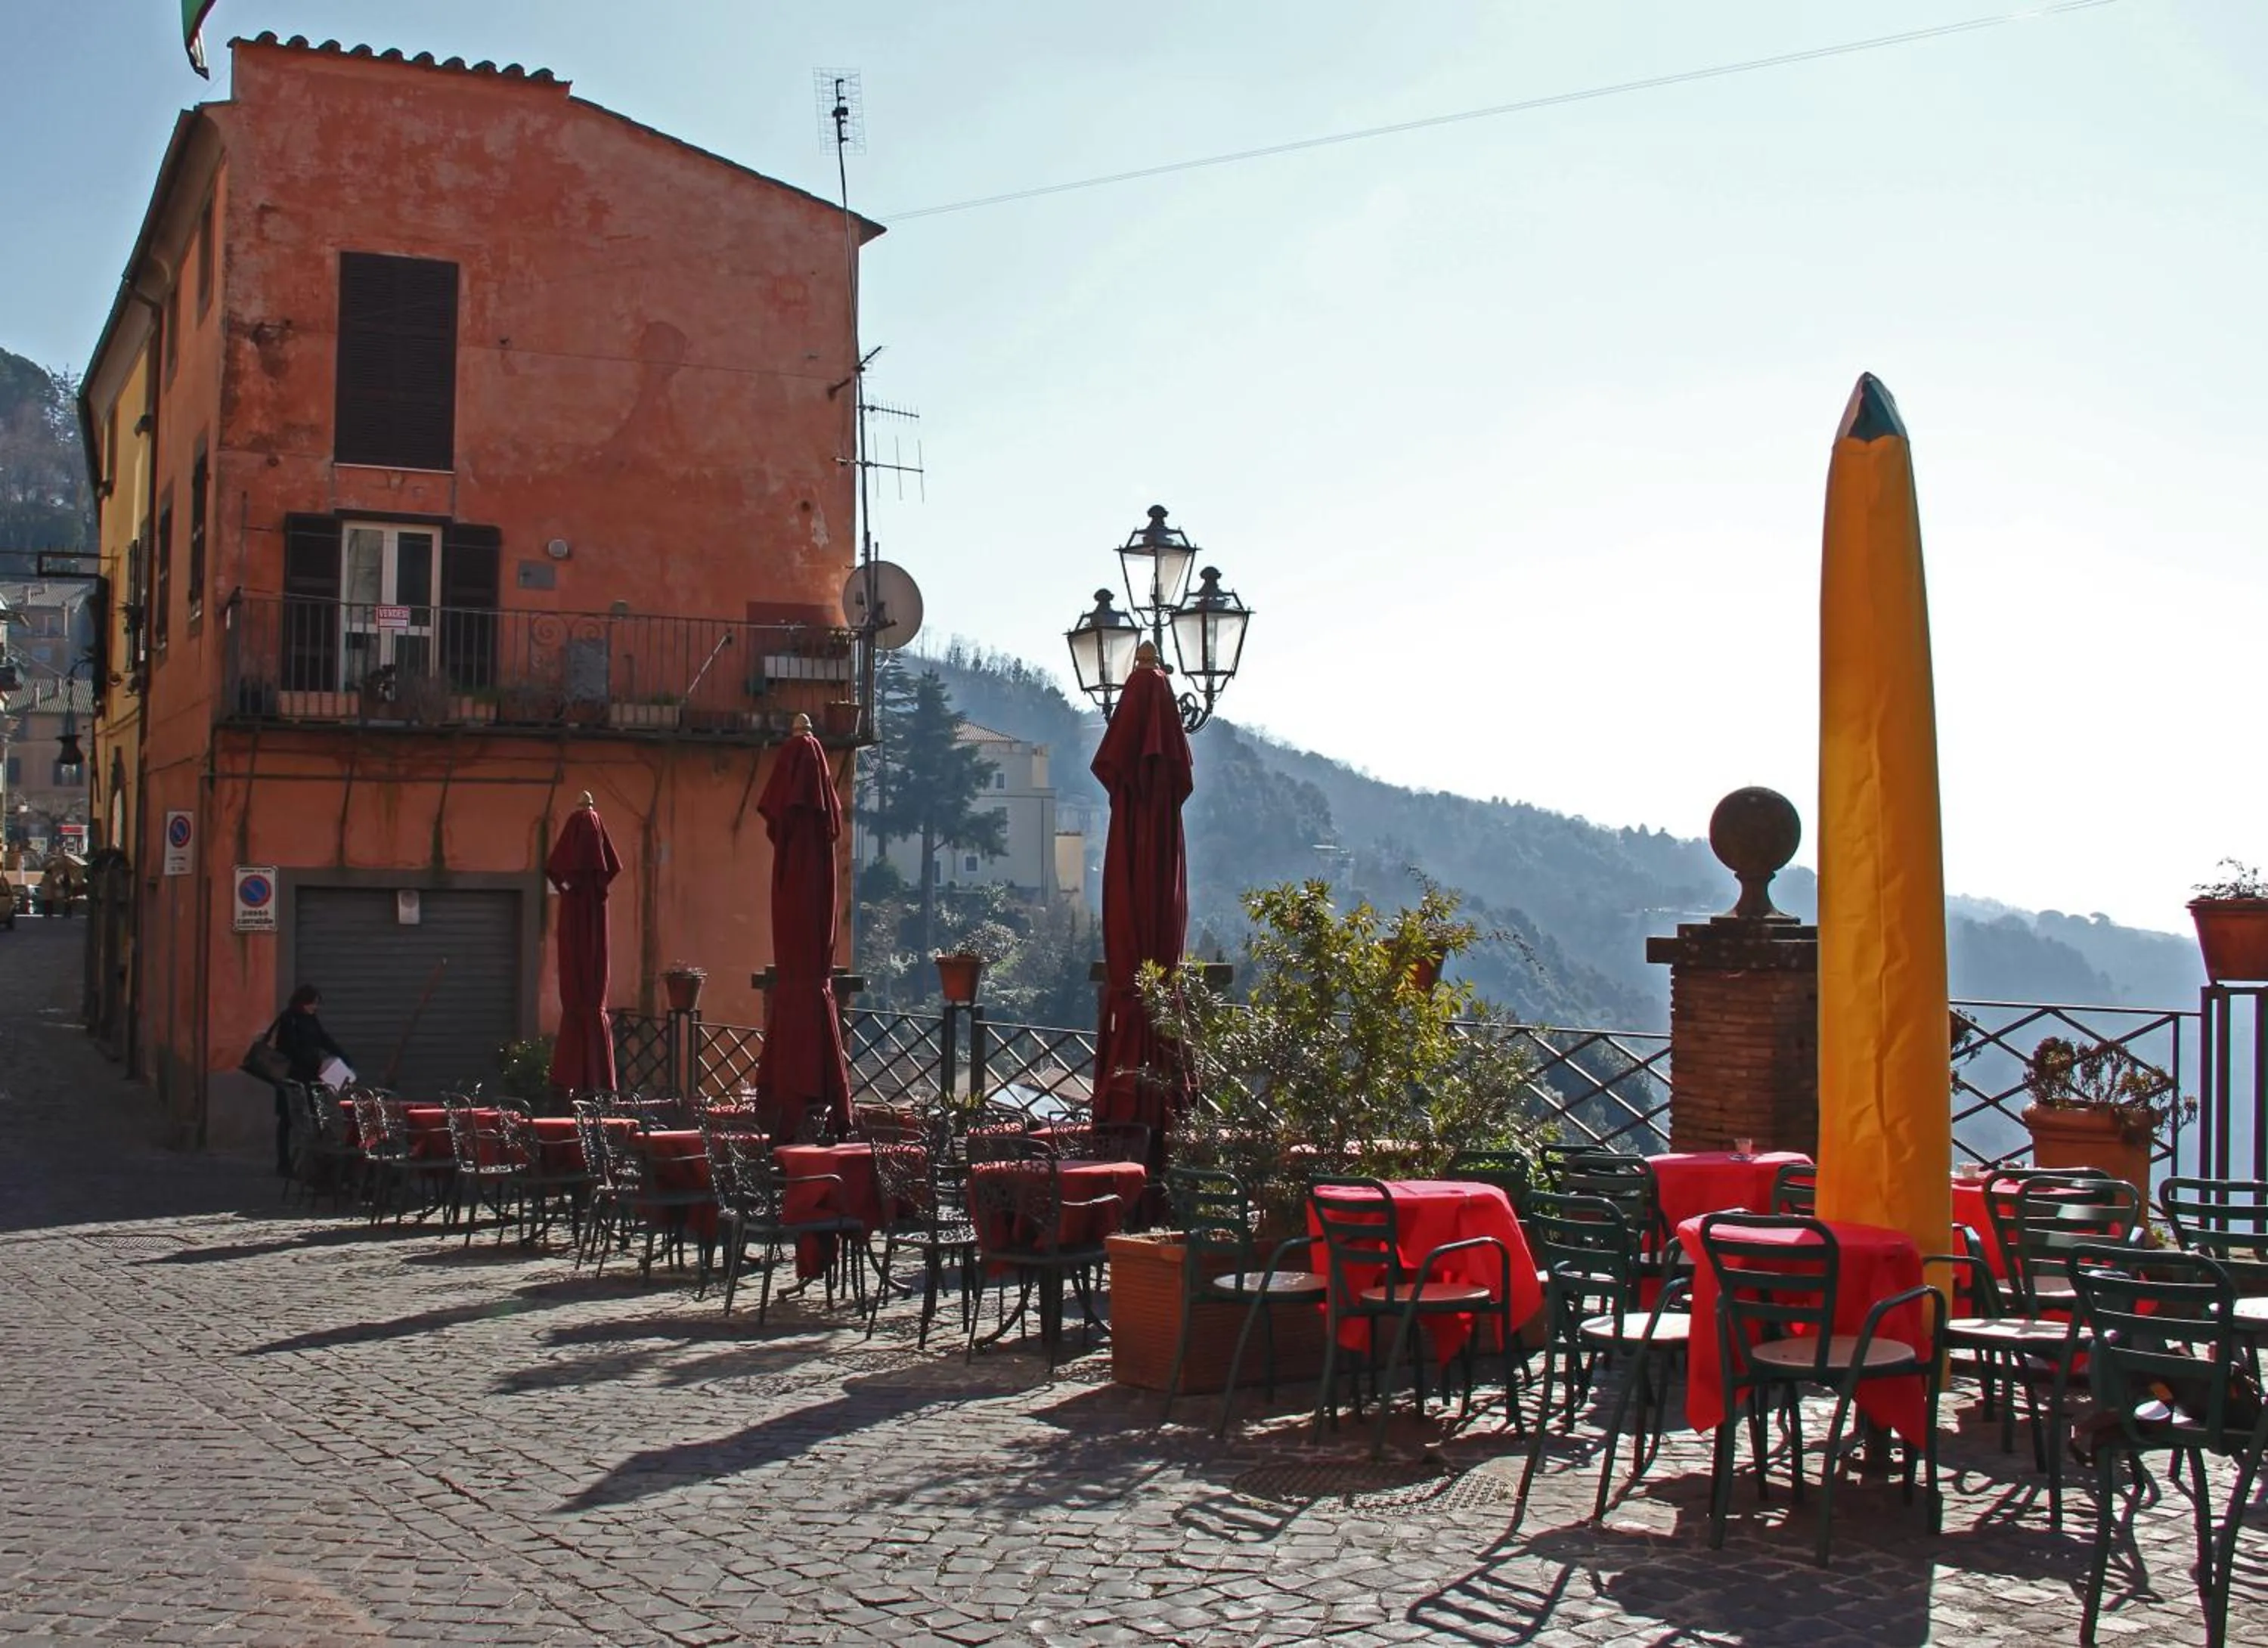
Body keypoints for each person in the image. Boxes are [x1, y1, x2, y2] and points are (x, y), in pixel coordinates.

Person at [267, 984, 352, 1176]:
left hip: (311, 1078)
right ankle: (284, 1163)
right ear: (302, 1002)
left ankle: (313, 1163)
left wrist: (342, 1057)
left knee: (316, 1116)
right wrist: (316, 1061)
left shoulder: (311, 1020)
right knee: (288, 1119)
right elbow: (291, 1049)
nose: (315, 1007)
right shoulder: (290, 1020)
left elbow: (324, 1039)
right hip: (292, 1079)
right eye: (312, 1004)